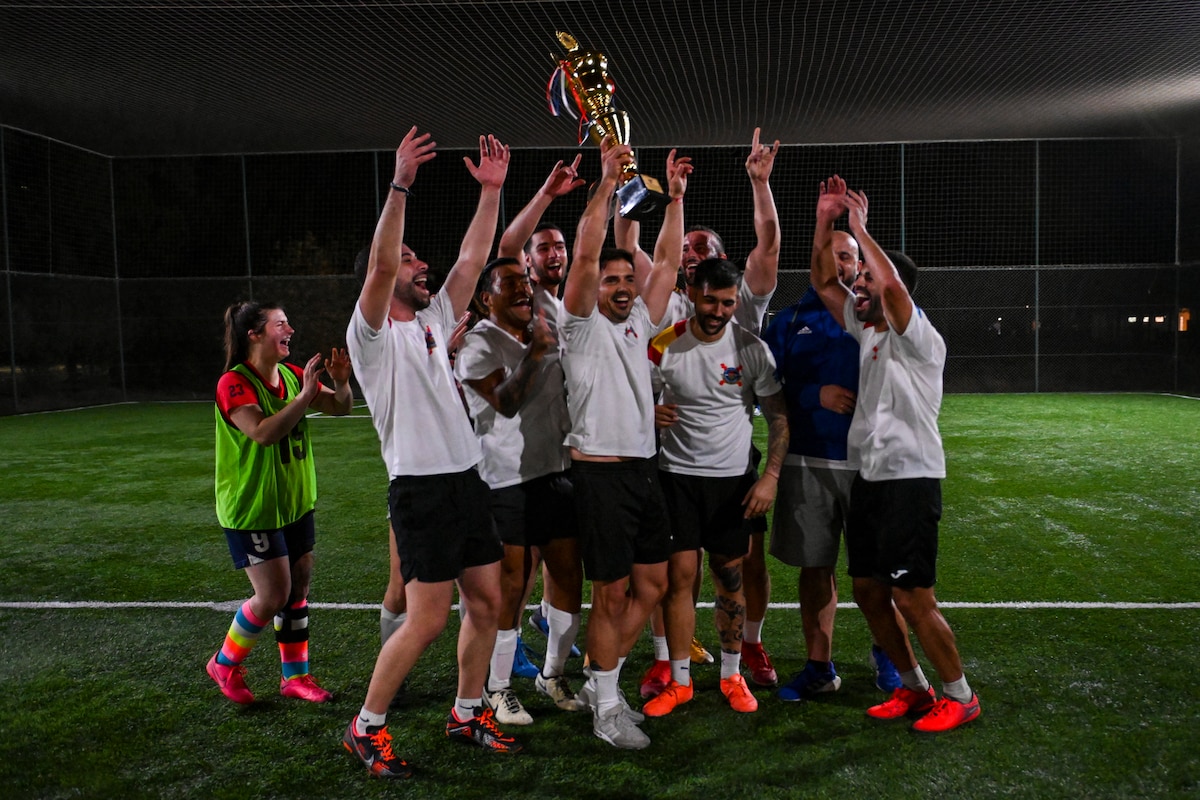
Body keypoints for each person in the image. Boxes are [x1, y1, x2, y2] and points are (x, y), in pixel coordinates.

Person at [342, 128, 523, 780]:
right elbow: (384, 266)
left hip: (465, 481)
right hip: (419, 489)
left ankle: (467, 710)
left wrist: (491, 194)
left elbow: (473, 260)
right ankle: (365, 728)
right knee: (425, 622)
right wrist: (400, 185)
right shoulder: (370, 335)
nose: (425, 267)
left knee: (488, 601)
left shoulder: (432, 321)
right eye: (413, 260)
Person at [808, 174, 981, 733]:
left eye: (866, 280)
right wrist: (824, 220)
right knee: (867, 591)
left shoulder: (918, 335)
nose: (855, 286)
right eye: (856, 280)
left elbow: (892, 292)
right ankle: (913, 688)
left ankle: (960, 694)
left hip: (911, 479)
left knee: (912, 595)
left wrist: (860, 228)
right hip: (871, 482)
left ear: (891, 287)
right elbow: (823, 283)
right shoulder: (869, 334)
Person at [619, 128, 782, 692]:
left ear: (722, 265)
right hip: (672, 462)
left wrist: (760, 184)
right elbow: (630, 245)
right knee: (673, 571)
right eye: (685, 248)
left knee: (742, 567)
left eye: (702, 247)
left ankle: (750, 650)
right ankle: (670, 659)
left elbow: (770, 247)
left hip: (734, 455)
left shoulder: (740, 306)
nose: (691, 253)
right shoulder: (666, 306)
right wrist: (660, 193)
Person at [559, 137, 690, 749]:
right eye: (609, 277)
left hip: (643, 471)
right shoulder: (579, 325)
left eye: (622, 277)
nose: (619, 284)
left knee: (654, 586)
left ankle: (597, 679)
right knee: (609, 595)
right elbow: (585, 253)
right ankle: (606, 706)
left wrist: (676, 199)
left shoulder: (640, 316)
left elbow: (663, 264)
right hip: (601, 476)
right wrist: (606, 185)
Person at [642, 258, 789, 717]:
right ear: (692, 292)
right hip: (677, 480)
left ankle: (731, 675)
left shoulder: (751, 348)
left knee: (730, 579)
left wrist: (770, 477)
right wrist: (647, 414)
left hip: (732, 486)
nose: (719, 310)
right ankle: (680, 681)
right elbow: (633, 401)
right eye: (711, 300)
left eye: (728, 302)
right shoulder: (664, 344)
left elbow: (780, 417)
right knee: (679, 580)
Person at [762, 229, 903, 700]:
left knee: (879, 572)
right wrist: (811, 395)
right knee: (814, 570)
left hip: (871, 465)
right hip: (809, 461)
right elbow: (766, 394)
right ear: (818, 260)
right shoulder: (786, 321)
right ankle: (819, 667)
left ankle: (889, 656)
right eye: (834, 255)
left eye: (851, 258)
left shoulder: (873, 318)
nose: (843, 266)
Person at [454, 256, 587, 724]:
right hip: (505, 480)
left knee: (570, 577)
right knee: (511, 588)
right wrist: (534, 354)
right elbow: (506, 403)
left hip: (557, 469)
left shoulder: (545, 328)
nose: (521, 289)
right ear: (485, 298)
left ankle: (551, 673)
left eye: (524, 281)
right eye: (507, 283)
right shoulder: (478, 345)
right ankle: (498, 685)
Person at [208, 301, 352, 706]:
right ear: (254, 334)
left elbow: (340, 407)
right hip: (253, 508)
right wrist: (306, 396)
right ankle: (224, 662)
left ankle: (295, 678)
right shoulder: (234, 383)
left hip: (293, 502)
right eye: (280, 324)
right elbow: (263, 432)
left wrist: (339, 383)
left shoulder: (290, 375)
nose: (290, 329)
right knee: (273, 595)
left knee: (299, 586)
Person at [493, 156, 587, 673]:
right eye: (544, 247)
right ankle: (506, 658)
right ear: (529, 261)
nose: (555, 253)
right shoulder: (523, 300)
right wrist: (548, 195)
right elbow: (506, 246)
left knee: (560, 553)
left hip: (566, 448)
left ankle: (548, 624)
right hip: (520, 453)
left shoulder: (574, 299)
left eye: (560, 245)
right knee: (520, 565)